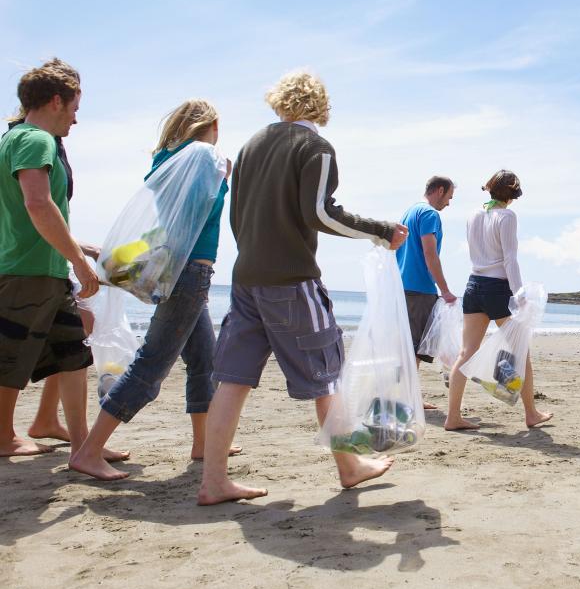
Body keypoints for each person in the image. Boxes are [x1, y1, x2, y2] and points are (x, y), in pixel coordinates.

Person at [197, 70, 408, 506]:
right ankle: (350, 466)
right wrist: (380, 230)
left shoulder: (250, 145)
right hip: (291, 280)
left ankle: (213, 481)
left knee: (232, 381)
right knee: (326, 376)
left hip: (246, 277)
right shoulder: (315, 146)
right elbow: (319, 213)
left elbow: (238, 214)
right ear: (320, 106)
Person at [71, 100, 234, 479]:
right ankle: (88, 451)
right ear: (208, 126)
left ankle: (202, 443)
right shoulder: (204, 158)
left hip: (178, 268)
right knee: (151, 363)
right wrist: (222, 176)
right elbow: (192, 217)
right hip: (189, 269)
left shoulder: (166, 158)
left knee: (204, 360)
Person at [0, 58, 101, 461]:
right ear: (56, 101)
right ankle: (4, 438)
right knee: (10, 358)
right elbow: (38, 204)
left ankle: (83, 446)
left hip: (44, 268)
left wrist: (78, 247)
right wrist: (77, 259)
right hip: (27, 271)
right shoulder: (34, 140)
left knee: (75, 352)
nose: (75, 120)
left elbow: (36, 213)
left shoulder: (16, 138)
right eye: (75, 109)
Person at [443, 170, 552, 432]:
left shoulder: (473, 215)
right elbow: (509, 259)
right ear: (512, 194)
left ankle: (453, 417)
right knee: (521, 350)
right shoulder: (507, 216)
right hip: (499, 288)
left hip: (473, 285)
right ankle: (531, 414)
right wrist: (519, 294)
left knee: (466, 352)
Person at [396, 176, 456, 408]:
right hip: (419, 288)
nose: (449, 203)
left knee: (412, 347)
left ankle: (408, 396)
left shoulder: (410, 212)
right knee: (414, 349)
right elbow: (430, 253)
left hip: (402, 286)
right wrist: (445, 290)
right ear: (439, 190)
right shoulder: (430, 214)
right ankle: (406, 399)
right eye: (449, 197)